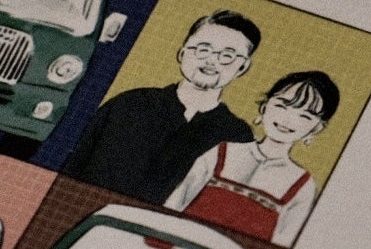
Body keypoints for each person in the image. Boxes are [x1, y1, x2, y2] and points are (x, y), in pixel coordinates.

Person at [59, 11, 260, 203]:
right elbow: (71, 168)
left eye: (227, 55)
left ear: (243, 67)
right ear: (182, 52)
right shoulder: (129, 104)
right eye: (203, 49)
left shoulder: (237, 136)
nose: (211, 60)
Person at [166, 70, 339, 247]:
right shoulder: (221, 152)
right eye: (282, 106)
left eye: (305, 116)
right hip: (183, 248)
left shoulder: (302, 184)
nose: (288, 120)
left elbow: (281, 247)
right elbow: (174, 205)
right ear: (264, 107)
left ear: (316, 128)